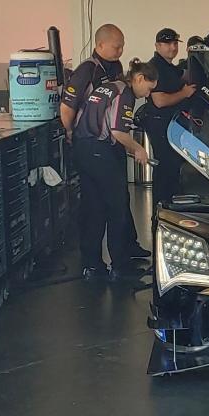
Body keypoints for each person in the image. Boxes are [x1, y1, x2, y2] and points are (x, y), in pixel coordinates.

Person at [60, 24, 148, 260]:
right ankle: (111, 263)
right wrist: (71, 133)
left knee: (118, 199)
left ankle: (123, 251)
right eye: (116, 46)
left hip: (107, 144)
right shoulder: (86, 71)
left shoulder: (116, 68)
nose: (120, 50)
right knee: (100, 205)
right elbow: (66, 108)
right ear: (100, 45)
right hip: (90, 142)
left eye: (122, 46)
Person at [71, 58, 155, 282]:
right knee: (117, 207)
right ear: (139, 79)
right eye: (149, 88)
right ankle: (120, 266)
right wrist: (138, 149)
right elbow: (118, 131)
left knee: (94, 209)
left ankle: (92, 266)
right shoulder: (125, 93)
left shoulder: (108, 87)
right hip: (99, 151)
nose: (147, 94)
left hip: (82, 148)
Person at [144, 28, 197, 210]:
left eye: (175, 43)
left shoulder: (169, 67)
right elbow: (159, 101)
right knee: (166, 167)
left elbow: (181, 75)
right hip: (160, 124)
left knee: (173, 166)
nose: (172, 47)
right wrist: (184, 93)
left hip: (172, 124)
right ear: (158, 45)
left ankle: (170, 207)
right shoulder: (155, 68)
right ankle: (161, 210)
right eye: (167, 44)